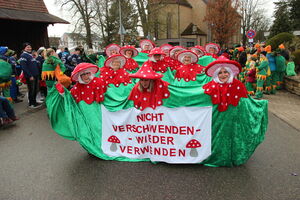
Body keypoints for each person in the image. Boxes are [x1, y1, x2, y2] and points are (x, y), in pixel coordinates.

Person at [19, 43, 41, 108]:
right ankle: (31, 104)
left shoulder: (30, 55)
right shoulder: (23, 55)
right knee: (32, 90)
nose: (29, 48)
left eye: (30, 47)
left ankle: (34, 102)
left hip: (35, 75)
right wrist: (30, 75)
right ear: (24, 48)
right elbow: (24, 67)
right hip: (31, 76)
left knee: (35, 90)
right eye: (27, 47)